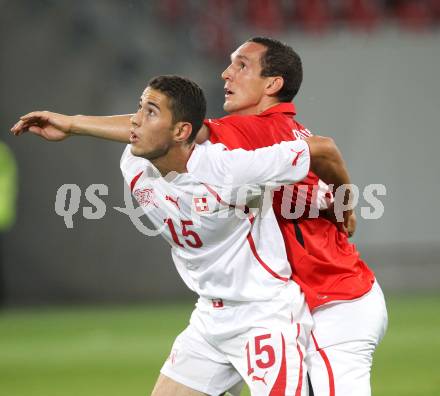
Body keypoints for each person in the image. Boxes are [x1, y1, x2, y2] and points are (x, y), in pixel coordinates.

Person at [11, 37, 388, 396]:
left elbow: (180, 130)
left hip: (329, 301)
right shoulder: (149, 159)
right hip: (226, 310)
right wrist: (340, 201)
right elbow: (157, 130)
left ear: (273, 83)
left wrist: (75, 124)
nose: (226, 73)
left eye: (241, 65)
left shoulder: (248, 137)